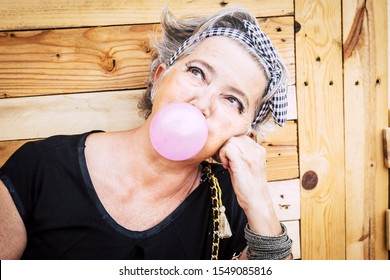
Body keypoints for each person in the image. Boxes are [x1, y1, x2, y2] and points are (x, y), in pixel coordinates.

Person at [0, 6, 292, 260]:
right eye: (197, 72)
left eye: (233, 101)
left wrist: (260, 203)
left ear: (244, 136)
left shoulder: (234, 202)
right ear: (159, 78)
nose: (202, 104)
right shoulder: (40, 167)